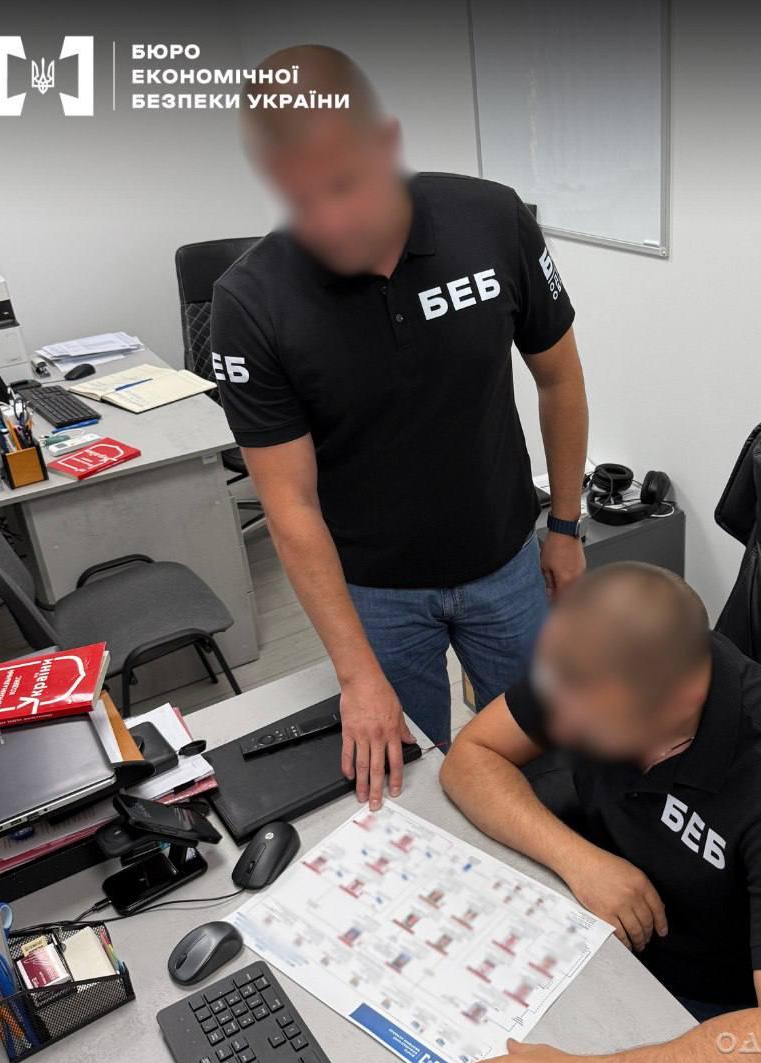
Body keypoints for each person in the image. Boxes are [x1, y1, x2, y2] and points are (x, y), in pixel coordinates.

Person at [211, 46, 589, 811]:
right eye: (301, 198)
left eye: (345, 184)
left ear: (385, 145)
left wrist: (565, 526)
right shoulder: (250, 303)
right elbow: (289, 505)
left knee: (546, 762)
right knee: (405, 791)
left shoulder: (493, 221)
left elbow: (559, 379)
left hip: (505, 561)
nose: (329, 221)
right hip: (374, 593)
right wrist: (356, 675)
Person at [441, 563, 761, 1063]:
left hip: (697, 1003)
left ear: (681, 697)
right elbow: (472, 754)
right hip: (588, 915)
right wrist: (581, 861)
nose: (561, 724)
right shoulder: (595, 666)